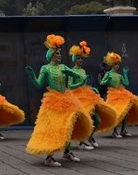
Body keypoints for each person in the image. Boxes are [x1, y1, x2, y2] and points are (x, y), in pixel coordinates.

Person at [24, 34, 93, 167]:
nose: (60, 55)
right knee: (56, 128)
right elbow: (39, 84)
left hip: (67, 99)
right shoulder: (46, 68)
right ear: (51, 55)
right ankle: (49, 157)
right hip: (53, 100)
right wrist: (32, 76)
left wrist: (82, 80)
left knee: (69, 125)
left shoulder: (63, 67)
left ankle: (67, 152)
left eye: (60, 53)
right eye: (57, 53)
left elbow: (76, 76)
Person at [67, 42, 117, 149]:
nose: (81, 60)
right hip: (76, 98)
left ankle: (89, 137)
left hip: (86, 96)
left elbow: (84, 83)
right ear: (75, 60)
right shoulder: (71, 71)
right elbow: (70, 85)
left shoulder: (83, 70)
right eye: (79, 58)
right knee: (83, 121)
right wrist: (80, 84)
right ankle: (81, 143)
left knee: (97, 120)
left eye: (82, 58)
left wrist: (91, 88)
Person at [101, 52, 138, 138]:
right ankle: (114, 132)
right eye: (115, 64)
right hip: (113, 95)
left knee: (125, 113)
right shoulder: (108, 74)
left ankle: (123, 130)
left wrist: (125, 73)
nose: (117, 66)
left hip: (122, 94)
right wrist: (107, 80)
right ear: (111, 64)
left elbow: (126, 83)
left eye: (118, 64)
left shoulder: (119, 75)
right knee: (117, 113)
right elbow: (101, 83)